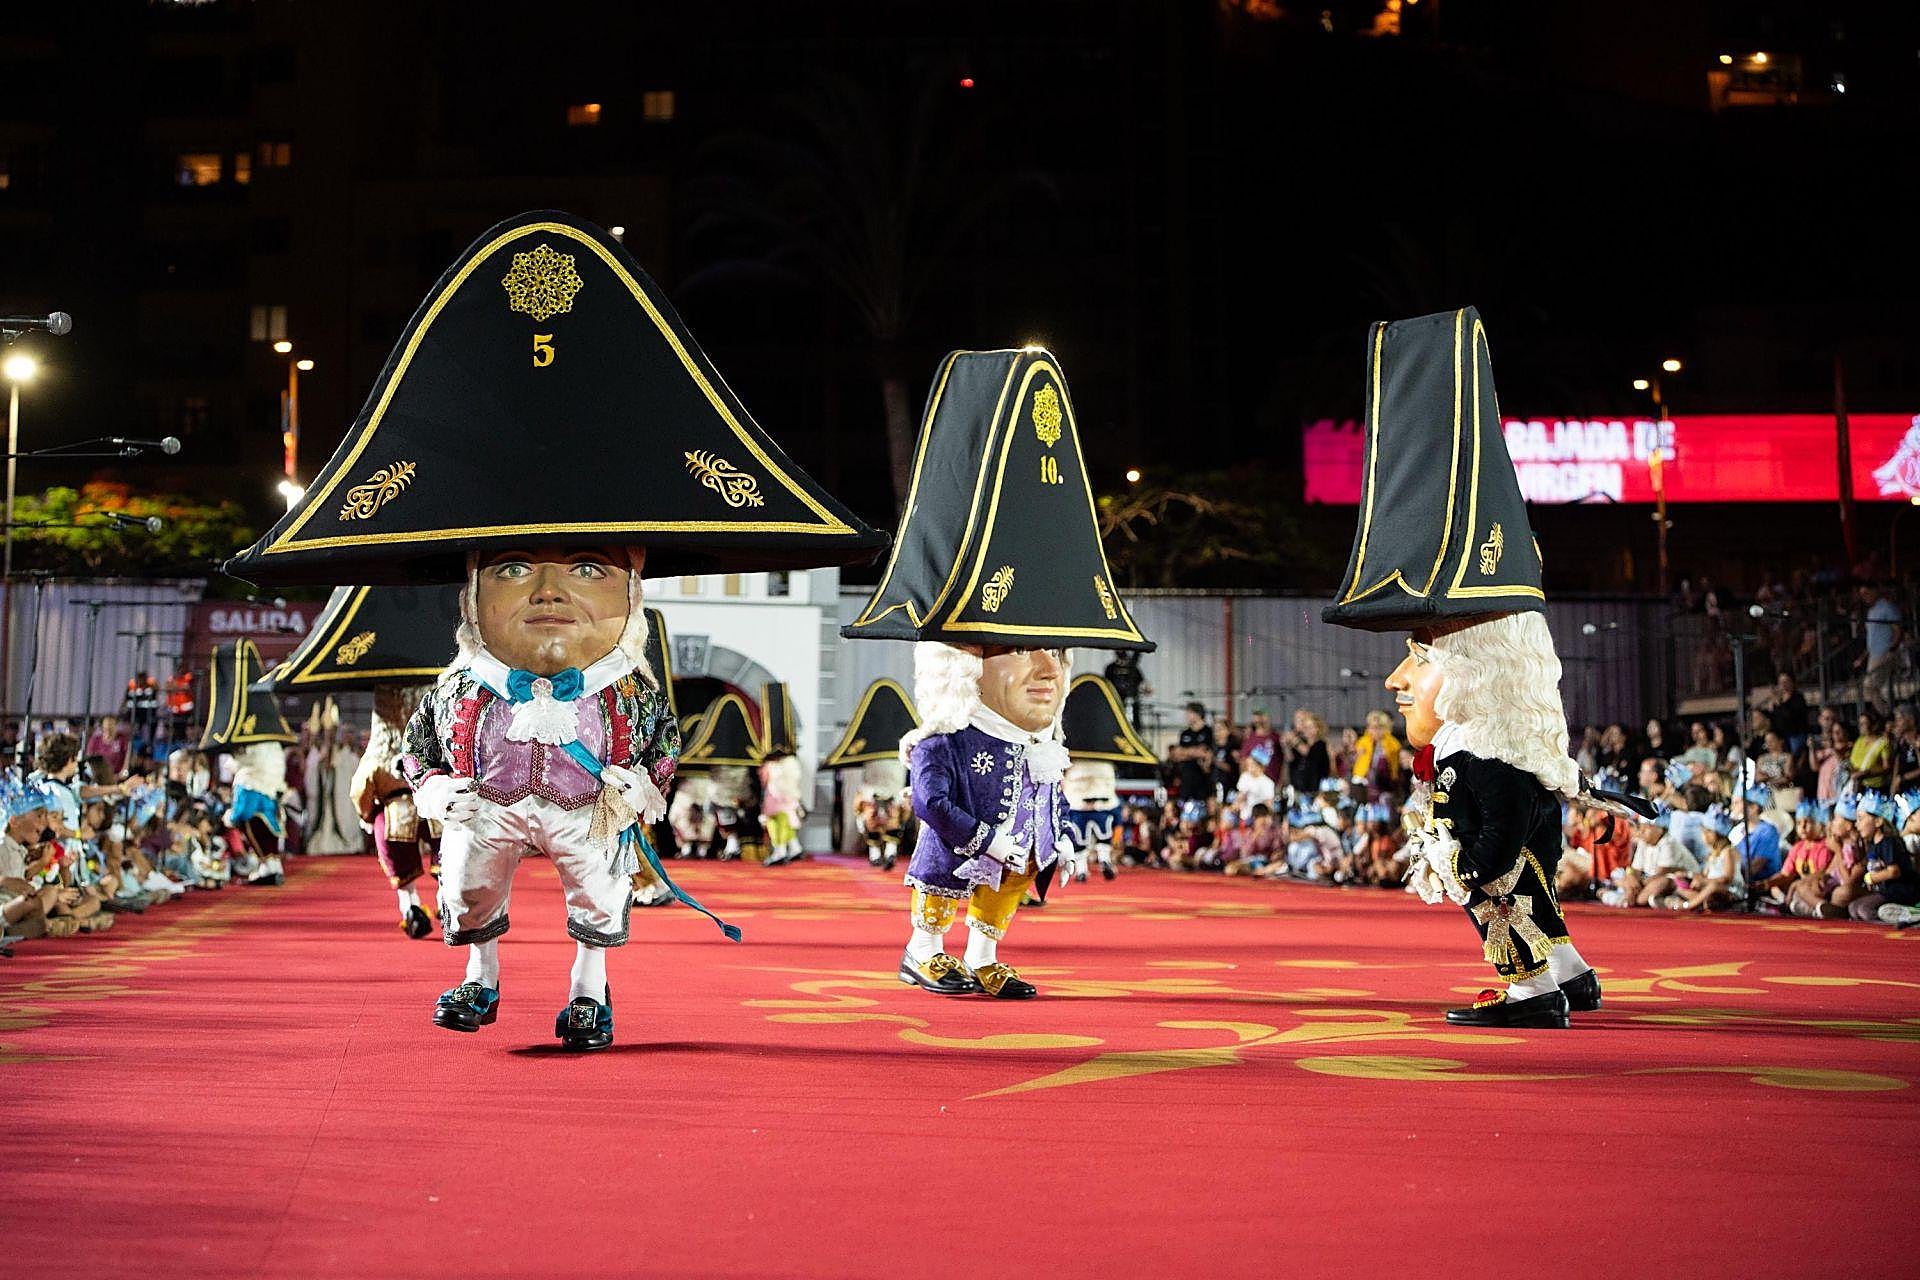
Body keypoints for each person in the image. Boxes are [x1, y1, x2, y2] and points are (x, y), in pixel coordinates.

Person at [226, 210, 883, 1049]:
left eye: (587, 568)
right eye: (510, 568)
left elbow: (661, 740)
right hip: (486, 804)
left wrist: (644, 784)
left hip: (587, 807)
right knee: (466, 884)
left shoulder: (625, 692)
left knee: (600, 891)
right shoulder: (460, 689)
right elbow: (420, 747)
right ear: (469, 589)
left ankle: (589, 991)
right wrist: (433, 788)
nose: (548, 592)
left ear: (631, 583)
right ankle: (479, 976)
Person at [1330, 306, 1606, 1028]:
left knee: (1504, 894)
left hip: (1495, 836)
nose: (1396, 681)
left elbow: (1501, 843)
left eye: (1419, 660)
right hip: (1515, 782)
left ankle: (1531, 989)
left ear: (1475, 669)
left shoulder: (1481, 752)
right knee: (1534, 890)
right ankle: (1568, 972)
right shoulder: (1496, 744)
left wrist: (1477, 864)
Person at [351, 685, 439, 938]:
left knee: (402, 871)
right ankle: (448, 900)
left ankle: (411, 907)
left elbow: (360, 788)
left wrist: (368, 815)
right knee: (447, 858)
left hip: (394, 811)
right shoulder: (433, 737)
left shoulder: (378, 749)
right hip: (434, 804)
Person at [1857, 583, 1904, 712]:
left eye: (1866, 593)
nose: (1864, 597)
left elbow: (1897, 630)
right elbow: (1872, 637)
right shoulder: (1871, 611)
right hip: (1873, 655)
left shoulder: (1887, 607)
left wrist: (1892, 649)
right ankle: (1887, 712)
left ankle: (1886, 714)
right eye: (1862, 595)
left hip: (1884, 653)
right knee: (1872, 688)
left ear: (1875, 591)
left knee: (1869, 686)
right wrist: (1862, 658)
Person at [1172, 703, 1216, 808]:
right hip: (1186, 779)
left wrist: (1185, 752)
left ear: (1198, 714)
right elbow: (1177, 754)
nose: (1186, 716)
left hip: (1202, 779)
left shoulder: (1208, 732)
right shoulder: (1185, 733)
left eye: (1189, 713)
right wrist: (1195, 752)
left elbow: (1205, 753)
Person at [1850, 708, 1892, 793]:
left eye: (1864, 723)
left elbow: (1887, 768)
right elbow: (1853, 762)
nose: (1861, 726)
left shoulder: (1883, 742)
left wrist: (1868, 773)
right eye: (1860, 723)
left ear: (1873, 725)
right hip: (1858, 786)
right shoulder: (1859, 741)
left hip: (1875, 788)